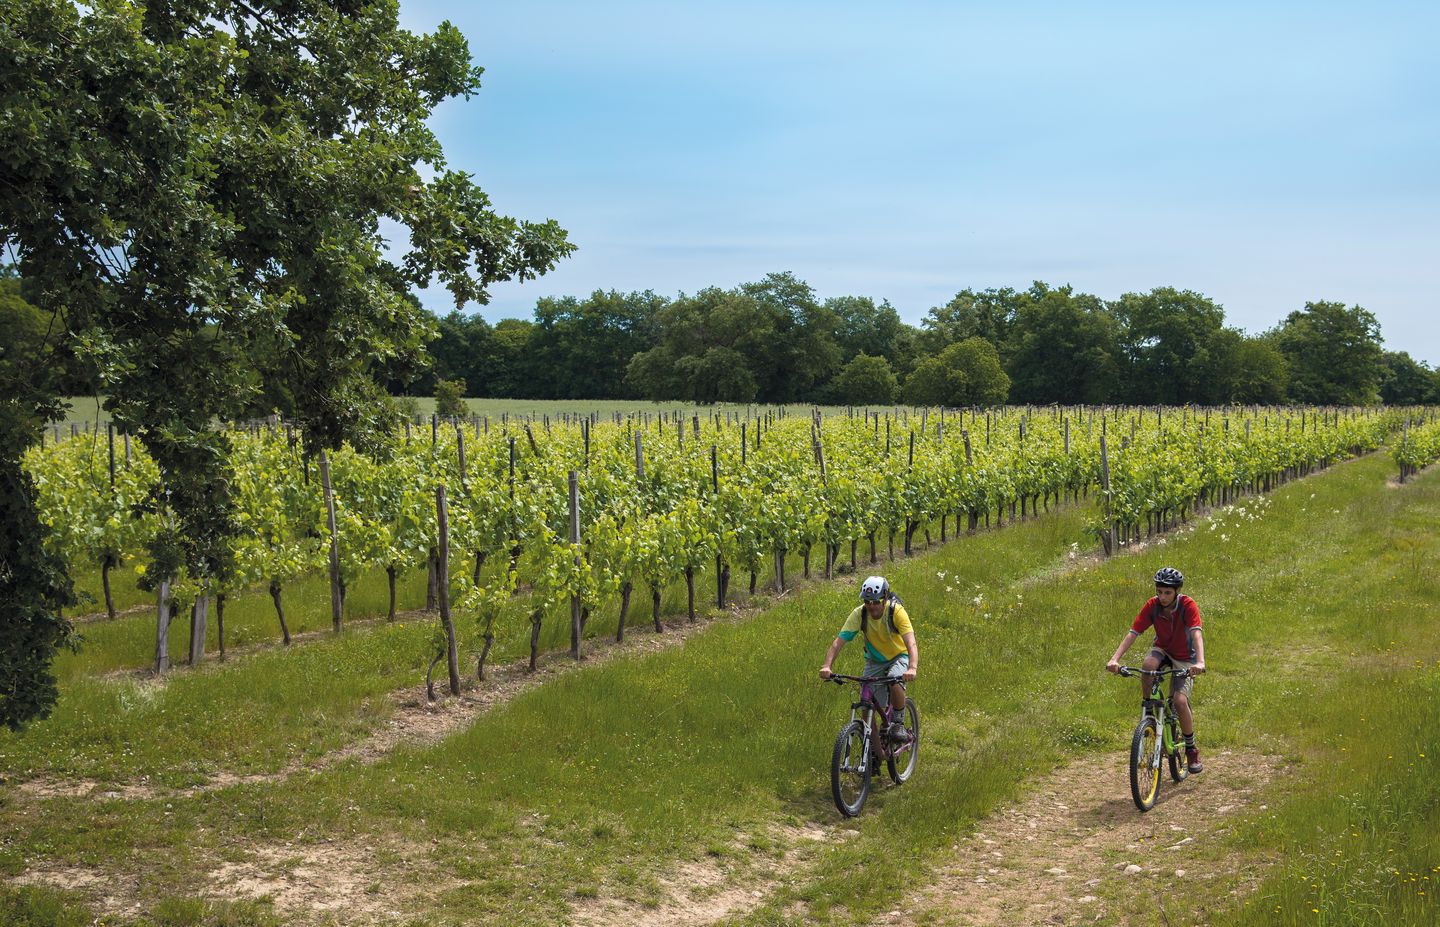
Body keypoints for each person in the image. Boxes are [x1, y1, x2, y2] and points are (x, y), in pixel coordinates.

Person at [1106, 567, 1207, 773]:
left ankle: (1191, 748)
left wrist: (1200, 662)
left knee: (1179, 701)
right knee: (1147, 667)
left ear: (1177, 591)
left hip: (1186, 657)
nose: (1162, 596)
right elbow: (1133, 633)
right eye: (1159, 591)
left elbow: (1196, 634)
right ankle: (1150, 713)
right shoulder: (1152, 606)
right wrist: (1115, 659)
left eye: (1167, 592)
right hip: (1163, 648)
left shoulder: (1187, 605)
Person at [819, 575, 919, 744]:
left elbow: (911, 642)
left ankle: (898, 723)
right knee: (866, 705)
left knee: (895, 681)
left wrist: (912, 667)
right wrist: (827, 666)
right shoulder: (860, 614)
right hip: (874, 660)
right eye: (867, 601)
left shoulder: (896, 612)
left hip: (899, 656)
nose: (871, 606)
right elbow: (838, 642)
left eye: (876, 601)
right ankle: (873, 747)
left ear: (885, 598)